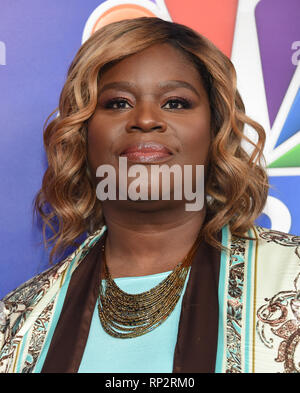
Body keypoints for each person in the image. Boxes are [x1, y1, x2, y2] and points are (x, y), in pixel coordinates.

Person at [0, 17, 299, 374]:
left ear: (215, 130)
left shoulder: (291, 274)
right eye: (117, 103)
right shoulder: (15, 322)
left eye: (175, 103)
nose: (145, 119)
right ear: (83, 134)